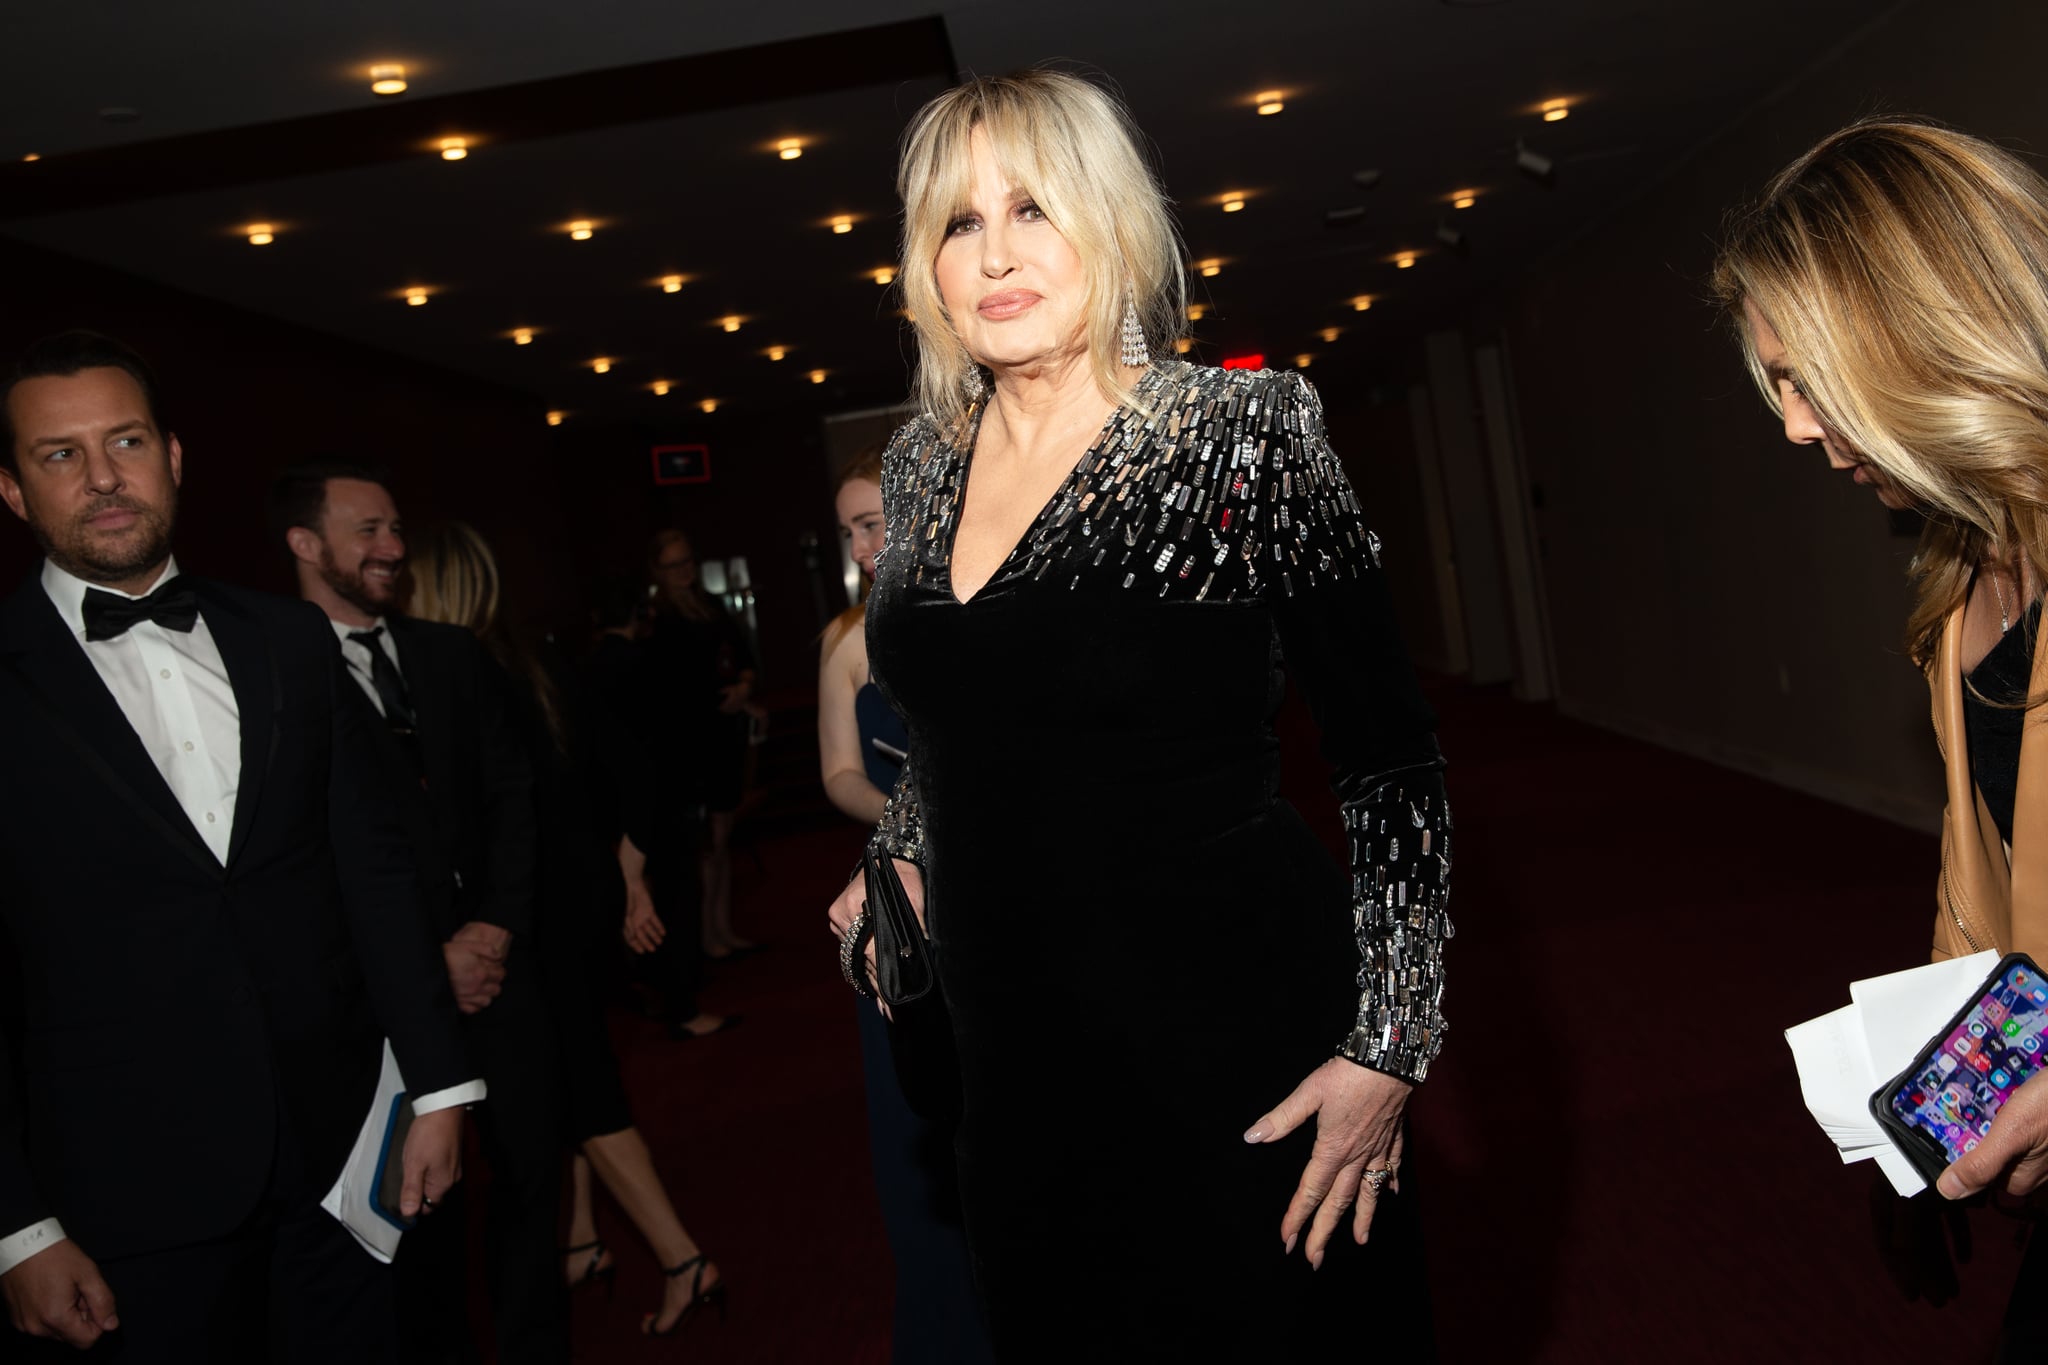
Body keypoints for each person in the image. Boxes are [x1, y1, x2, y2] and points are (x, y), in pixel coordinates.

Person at [823, 70, 1450, 1358]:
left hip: (1232, 1032)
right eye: (955, 222)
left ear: (1109, 220)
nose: (993, 254)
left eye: (1031, 208)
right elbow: (960, 723)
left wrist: (1391, 1040)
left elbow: (1388, 760)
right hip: (1006, 1054)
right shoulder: (917, 463)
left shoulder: (1243, 434)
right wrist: (899, 853)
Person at [0, 331, 477, 1361]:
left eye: (124, 441)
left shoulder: (289, 641)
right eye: (59, 455)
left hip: (348, 1159)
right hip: (127, 1201)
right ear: (11, 490)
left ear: (173, 457)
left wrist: (439, 1086)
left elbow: (374, 875)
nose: (102, 477)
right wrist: (17, 1227)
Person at [1712, 114, 2048, 1356]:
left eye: (1804, 377)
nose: (1793, 427)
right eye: (1777, 386)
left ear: (1924, 332)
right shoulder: (1961, 577)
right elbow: (1987, 897)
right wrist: (1929, 1123)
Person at [268, 463, 567, 1364]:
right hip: (384, 1012)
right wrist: (422, 962)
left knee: (531, 1184)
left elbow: (518, 798)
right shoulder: (271, 673)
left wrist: (496, 927)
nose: (393, 547)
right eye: (367, 530)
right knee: (415, 1224)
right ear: (304, 544)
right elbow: (298, 869)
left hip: (502, 976)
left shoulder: (449, 652)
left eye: (395, 527)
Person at [406, 526, 727, 1340]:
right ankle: (582, 1239)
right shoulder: (534, 659)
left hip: (530, 924)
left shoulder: (460, 676)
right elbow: (622, 779)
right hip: (569, 909)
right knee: (565, 1085)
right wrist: (626, 875)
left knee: (582, 1092)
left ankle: (684, 1257)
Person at [819, 452, 992, 1364]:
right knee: (917, 1117)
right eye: (852, 525)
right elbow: (838, 771)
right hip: (900, 888)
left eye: (878, 516)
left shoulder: (976, 604)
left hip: (994, 876)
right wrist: (904, 823)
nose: (867, 539)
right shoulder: (846, 638)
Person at [645, 529, 759, 963]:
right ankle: (706, 936)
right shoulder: (660, 619)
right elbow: (672, 691)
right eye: (674, 564)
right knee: (707, 844)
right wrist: (724, 698)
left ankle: (722, 929)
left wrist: (744, 687)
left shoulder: (710, 606)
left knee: (723, 837)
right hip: (691, 744)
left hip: (722, 736)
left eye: (688, 561)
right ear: (659, 569)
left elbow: (744, 658)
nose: (684, 570)